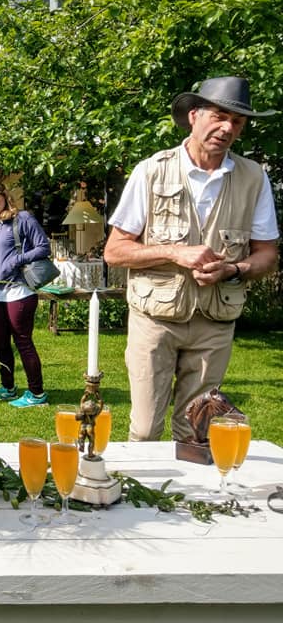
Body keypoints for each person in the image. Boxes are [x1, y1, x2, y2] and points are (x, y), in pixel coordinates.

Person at [104, 76, 279, 442]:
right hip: (155, 321)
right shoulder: (151, 170)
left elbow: (267, 255)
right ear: (194, 115)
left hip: (214, 324)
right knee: (145, 428)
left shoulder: (253, 178)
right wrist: (174, 252)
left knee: (196, 432)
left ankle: (189, 500)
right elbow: (115, 251)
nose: (227, 128)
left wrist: (233, 269)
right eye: (219, 116)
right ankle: (144, 498)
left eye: (237, 122)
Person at [0, 179, 50, 408]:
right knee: (1, 344)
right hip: (0, 293)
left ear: (3, 194)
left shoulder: (23, 218)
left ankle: (37, 395)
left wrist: (17, 260)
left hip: (21, 291)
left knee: (23, 342)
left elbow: (43, 247)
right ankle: (8, 388)